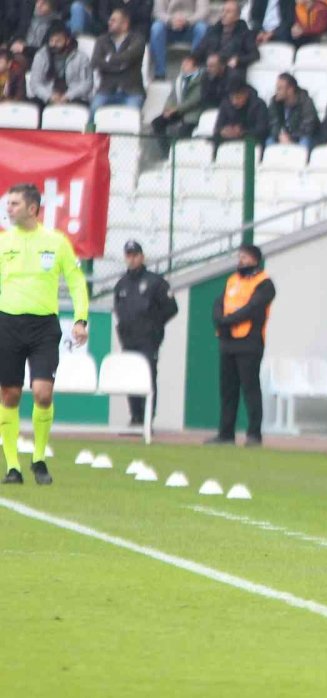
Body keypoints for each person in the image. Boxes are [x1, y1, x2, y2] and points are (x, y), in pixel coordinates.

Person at [0, 183, 89, 487]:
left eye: (14, 203)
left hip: (44, 327)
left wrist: (80, 319)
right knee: (9, 394)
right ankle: (12, 465)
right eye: (8, 203)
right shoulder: (4, 242)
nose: (8, 208)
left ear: (32, 209)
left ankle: (38, 458)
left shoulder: (56, 242)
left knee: (43, 392)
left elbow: (76, 281)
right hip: (8, 324)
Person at [206, 244, 276, 447]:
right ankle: (226, 433)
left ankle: (254, 434)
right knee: (228, 390)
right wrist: (220, 319)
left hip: (249, 341)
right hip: (228, 340)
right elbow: (219, 303)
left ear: (255, 259)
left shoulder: (265, 283)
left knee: (250, 388)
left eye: (245, 257)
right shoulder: (232, 280)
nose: (241, 260)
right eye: (240, 256)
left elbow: (253, 308)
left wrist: (228, 320)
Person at [112, 240, 179, 426]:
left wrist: (154, 324)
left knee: (148, 376)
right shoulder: (122, 284)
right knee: (130, 377)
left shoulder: (156, 282)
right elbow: (118, 309)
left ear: (142, 257)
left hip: (148, 340)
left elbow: (171, 308)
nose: (132, 259)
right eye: (129, 256)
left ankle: (147, 417)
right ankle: (135, 416)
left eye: (135, 255)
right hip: (128, 339)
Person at [90, 8, 146, 114]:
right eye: (110, 20)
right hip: (106, 90)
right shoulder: (102, 40)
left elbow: (129, 57)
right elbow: (95, 62)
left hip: (131, 92)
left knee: (131, 115)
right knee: (94, 110)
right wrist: (121, 64)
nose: (109, 22)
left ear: (125, 24)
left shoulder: (137, 40)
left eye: (113, 20)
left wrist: (108, 60)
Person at [151, 53, 204, 157]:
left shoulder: (201, 79)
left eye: (187, 63)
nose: (183, 66)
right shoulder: (180, 79)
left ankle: (180, 156)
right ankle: (167, 153)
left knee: (183, 130)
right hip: (178, 111)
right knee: (157, 122)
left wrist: (175, 109)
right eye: (183, 63)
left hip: (193, 113)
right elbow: (172, 96)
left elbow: (193, 101)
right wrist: (167, 109)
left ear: (195, 66)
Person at [29, 22, 93, 106]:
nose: (54, 44)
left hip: (73, 96)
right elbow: (35, 83)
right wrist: (49, 96)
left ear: (67, 41)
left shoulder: (81, 57)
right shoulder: (41, 56)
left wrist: (68, 96)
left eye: (58, 41)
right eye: (51, 41)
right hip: (48, 95)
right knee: (31, 105)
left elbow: (87, 83)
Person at [150, 0, 209, 80]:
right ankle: (160, 73)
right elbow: (158, 11)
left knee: (202, 29)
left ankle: (193, 70)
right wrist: (170, 20)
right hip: (169, 26)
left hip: (191, 26)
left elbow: (203, 11)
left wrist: (187, 21)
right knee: (156, 28)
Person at [195, 0, 259, 74]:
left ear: (237, 16)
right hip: (208, 68)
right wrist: (191, 59)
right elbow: (200, 49)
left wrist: (238, 60)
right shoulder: (213, 31)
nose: (224, 14)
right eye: (223, 11)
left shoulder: (245, 34)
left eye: (228, 12)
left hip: (228, 71)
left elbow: (254, 55)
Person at [267, 72, 319, 148]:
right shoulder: (275, 102)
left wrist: (290, 137)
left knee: (304, 142)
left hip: (301, 137)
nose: (277, 91)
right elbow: (272, 123)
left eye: (280, 88)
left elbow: (308, 127)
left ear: (290, 90)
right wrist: (279, 135)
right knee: (269, 141)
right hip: (283, 137)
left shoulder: (306, 102)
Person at [213, 77, 269, 146]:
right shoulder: (226, 104)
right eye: (232, 98)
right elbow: (217, 128)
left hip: (252, 143)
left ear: (246, 93)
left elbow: (262, 130)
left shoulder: (259, 105)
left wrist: (242, 132)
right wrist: (223, 131)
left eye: (238, 97)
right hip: (229, 143)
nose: (234, 102)